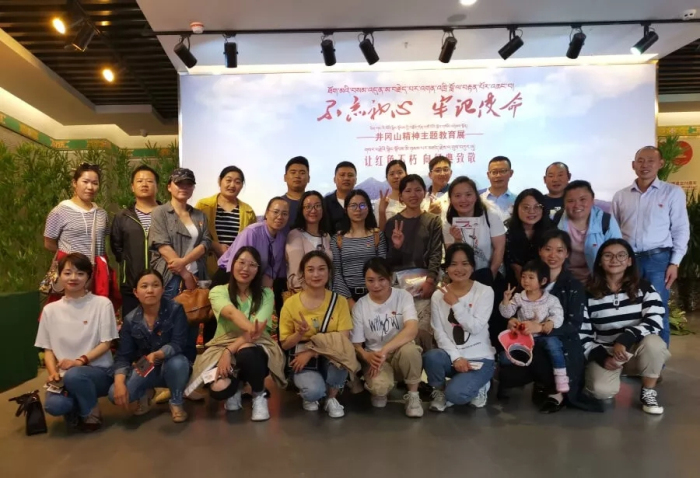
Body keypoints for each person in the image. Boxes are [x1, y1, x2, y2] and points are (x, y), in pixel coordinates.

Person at [497, 229, 603, 414]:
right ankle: (542, 383)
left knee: (548, 350)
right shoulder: (527, 280)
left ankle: (555, 390)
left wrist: (541, 328)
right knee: (507, 369)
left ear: (567, 253)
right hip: (527, 339)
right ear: (540, 251)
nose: (553, 255)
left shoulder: (573, 286)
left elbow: (573, 325)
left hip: (561, 342)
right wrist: (513, 321)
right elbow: (512, 311)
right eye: (548, 249)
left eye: (560, 250)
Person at [612, 146, 690, 347]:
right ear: (633, 165)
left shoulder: (672, 193)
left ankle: (656, 362)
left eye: (650, 160)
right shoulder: (621, 196)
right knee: (627, 309)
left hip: (659, 260)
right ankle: (629, 357)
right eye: (640, 160)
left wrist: (675, 263)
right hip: (628, 261)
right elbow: (614, 232)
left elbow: (680, 228)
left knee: (657, 309)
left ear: (660, 164)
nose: (644, 165)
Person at [581, 239, 670, 414]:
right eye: (608, 255)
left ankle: (648, 391)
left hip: (636, 350)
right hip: (606, 351)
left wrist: (625, 339)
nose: (615, 259)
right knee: (601, 392)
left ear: (629, 261)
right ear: (599, 261)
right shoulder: (587, 293)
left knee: (655, 343)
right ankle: (604, 374)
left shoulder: (644, 287)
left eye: (621, 255)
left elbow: (655, 320)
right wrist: (601, 357)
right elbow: (582, 333)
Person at [35, 253, 118, 432]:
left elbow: (106, 343)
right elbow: (48, 349)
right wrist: (53, 373)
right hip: (65, 375)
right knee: (54, 405)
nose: (73, 278)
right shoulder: (50, 310)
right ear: (59, 275)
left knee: (75, 375)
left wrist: (80, 361)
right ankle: (76, 406)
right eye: (68, 273)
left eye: (80, 273)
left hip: (99, 372)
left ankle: (91, 412)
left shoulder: (102, 304)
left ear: (88, 277)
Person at [195, 246, 278, 421]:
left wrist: (229, 351)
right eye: (241, 262)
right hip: (222, 343)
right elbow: (232, 314)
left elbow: (256, 333)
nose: (245, 269)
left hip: (257, 345)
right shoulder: (218, 291)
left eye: (252, 265)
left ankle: (259, 394)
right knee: (219, 389)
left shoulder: (266, 294)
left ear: (258, 270)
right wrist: (227, 349)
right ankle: (237, 386)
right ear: (232, 265)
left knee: (247, 352)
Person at [108, 270, 190, 423]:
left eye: (155, 285)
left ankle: (176, 401)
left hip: (170, 361)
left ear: (163, 289)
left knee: (178, 362)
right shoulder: (130, 319)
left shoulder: (175, 309)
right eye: (144, 286)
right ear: (136, 292)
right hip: (146, 364)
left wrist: (158, 354)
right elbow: (123, 356)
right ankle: (145, 393)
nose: (150, 290)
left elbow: (178, 343)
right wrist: (119, 383)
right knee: (114, 393)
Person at [279, 251, 354, 418]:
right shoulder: (290, 304)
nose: (316, 274)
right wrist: (298, 334)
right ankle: (312, 393)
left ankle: (331, 398)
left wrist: (311, 352)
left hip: (329, 355)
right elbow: (285, 344)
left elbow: (343, 339)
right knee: (314, 392)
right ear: (303, 273)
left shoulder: (340, 301)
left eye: (321, 269)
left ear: (329, 272)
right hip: (302, 360)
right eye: (310, 269)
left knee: (342, 358)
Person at [423, 243, 496, 411]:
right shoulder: (438, 296)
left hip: (480, 358)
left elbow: (475, 327)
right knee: (432, 357)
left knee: (456, 395)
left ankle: (481, 385)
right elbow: (439, 332)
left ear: (473, 266)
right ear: (446, 268)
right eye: (453, 264)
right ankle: (440, 391)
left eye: (465, 263)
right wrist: (456, 358)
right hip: (453, 358)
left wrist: (455, 304)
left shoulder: (485, 292)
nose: (459, 269)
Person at [351, 258, 423, 417]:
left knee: (411, 351)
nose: (376, 285)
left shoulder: (403, 296)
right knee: (379, 390)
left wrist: (385, 350)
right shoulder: (360, 306)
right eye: (370, 280)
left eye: (381, 279)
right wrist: (367, 356)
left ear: (390, 278)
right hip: (376, 358)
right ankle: (381, 388)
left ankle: (413, 395)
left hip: (399, 352)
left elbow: (412, 329)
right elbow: (356, 344)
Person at [385, 175, 443, 350]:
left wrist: (431, 280)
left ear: (424, 192)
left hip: (425, 285)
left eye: (418, 190)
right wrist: (397, 247)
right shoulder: (392, 223)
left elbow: (436, 253)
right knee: (402, 331)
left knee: (424, 331)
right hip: (399, 287)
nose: (413, 194)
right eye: (408, 191)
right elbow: (389, 261)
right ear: (401, 196)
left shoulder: (433, 220)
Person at [43, 163, 111, 303]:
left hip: (96, 272)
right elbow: (49, 243)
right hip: (71, 272)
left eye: (95, 183)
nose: (90, 187)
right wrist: (70, 258)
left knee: (95, 309)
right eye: (85, 182)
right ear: (74, 183)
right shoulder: (60, 211)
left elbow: (102, 241)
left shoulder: (101, 213)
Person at [499, 260, 568, 393]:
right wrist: (506, 300)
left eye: (531, 277)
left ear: (543, 281)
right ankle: (508, 379)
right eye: (523, 276)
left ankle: (561, 375)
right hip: (523, 337)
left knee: (553, 344)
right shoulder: (518, 297)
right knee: (504, 358)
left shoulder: (551, 299)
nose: (526, 281)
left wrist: (550, 323)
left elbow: (558, 315)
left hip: (543, 336)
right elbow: (506, 313)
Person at [218, 196, 289, 315]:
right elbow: (237, 265)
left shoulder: (281, 239)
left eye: (285, 214)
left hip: (251, 281)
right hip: (229, 277)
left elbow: (269, 275)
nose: (280, 217)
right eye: (276, 212)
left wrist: (262, 299)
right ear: (267, 213)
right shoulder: (252, 232)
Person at [149, 168, 211, 301]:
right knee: (168, 313)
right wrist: (186, 274)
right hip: (170, 277)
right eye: (179, 183)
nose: (184, 187)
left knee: (196, 313)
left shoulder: (200, 215)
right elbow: (162, 245)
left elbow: (206, 242)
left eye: (188, 184)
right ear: (169, 187)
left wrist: (184, 262)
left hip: (198, 275)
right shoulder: (160, 212)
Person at [111, 165, 160, 318]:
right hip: (131, 284)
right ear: (132, 187)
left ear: (157, 186)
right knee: (132, 325)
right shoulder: (122, 216)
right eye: (139, 181)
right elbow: (117, 247)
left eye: (149, 181)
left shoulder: (167, 214)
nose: (144, 184)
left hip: (162, 284)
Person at [195, 166, 257, 279]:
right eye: (228, 180)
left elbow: (251, 242)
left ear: (242, 185)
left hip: (235, 269)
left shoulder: (248, 211)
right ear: (220, 181)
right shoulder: (203, 206)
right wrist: (215, 246)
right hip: (207, 266)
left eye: (237, 182)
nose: (232, 185)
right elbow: (195, 234)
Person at [556, 180, 622, 283]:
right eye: (571, 201)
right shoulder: (556, 221)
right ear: (564, 203)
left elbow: (618, 254)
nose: (577, 205)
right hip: (565, 280)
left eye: (582, 199)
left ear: (592, 200)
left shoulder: (606, 221)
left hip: (599, 280)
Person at [331, 189, 387, 307]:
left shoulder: (377, 235)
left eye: (362, 205)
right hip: (346, 298)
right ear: (346, 209)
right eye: (353, 206)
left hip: (374, 294)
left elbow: (383, 269)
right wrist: (349, 300)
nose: (358, 209)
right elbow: (336, 273)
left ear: (368, 208)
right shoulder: (337, 239)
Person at [444, 176, 505, 282]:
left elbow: (499, 248)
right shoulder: (448, 222)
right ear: (451, 199)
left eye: (468, 195)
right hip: (462, 277)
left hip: (488, 274)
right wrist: (457, 241)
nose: (463, 200)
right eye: (457, 196)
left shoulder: (491, 216)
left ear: (476, 196)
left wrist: (491, 275)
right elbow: (452, 257)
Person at [504, 188, 554, 285]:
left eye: (537, 207)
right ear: (516, 208)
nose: (531, 211)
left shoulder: (551, 229)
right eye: (526, 207)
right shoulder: (506, 229)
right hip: (512, 282)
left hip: (545, 282)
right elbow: (513, 265)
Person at [287, 191, 333, 292]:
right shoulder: (295, 235)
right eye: (308, 207)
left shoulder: (326, 236)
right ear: (301, 210)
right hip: (304, 294)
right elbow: (296, 274)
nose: (313, 210)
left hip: (326, 293)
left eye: (317, 206)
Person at [479, 156, 516, 222]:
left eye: (503, 171)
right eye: (494, 172)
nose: (498, 175)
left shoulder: (517, 201)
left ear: (511, 173)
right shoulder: (478, 199)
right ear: (488, 175)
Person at [324, 161, 357, 233]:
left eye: (350, 175)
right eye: (342, 175)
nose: (346, 178)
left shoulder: (362, 201)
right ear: (334, 179)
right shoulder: (325, 203)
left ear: (356, 180)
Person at [280, 156, 310, 233]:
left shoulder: (316, 205)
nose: (297, 176)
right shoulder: (277, 204)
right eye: (293, 172)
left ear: (308, 178)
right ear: (285, 177)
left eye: (302, 173)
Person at [376, 159, 408, 230]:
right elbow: (381, 231)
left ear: (406, 174)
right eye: (392, 174)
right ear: (387, 178)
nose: (396, 176)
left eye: (400, 173)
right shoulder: (380, 203)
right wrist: (382, 211)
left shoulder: (414, 199)